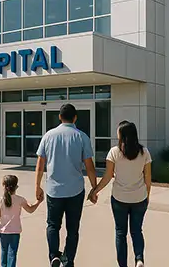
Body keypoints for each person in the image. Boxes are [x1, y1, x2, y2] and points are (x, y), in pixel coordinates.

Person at [35, 103, 98, 267]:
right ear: (75, 117)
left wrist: (37, 186)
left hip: (54, 190)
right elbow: (89, 166)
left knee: (53, 225)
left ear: (59, 117)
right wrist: (94, 188)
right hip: (75, 191)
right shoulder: (81, 136)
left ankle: (54, 256)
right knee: (73, 229)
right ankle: (68, 259)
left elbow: (40, 164)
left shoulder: (49, 136)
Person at [88, 121, 152, 267]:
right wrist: (147, 196)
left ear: (122, 135)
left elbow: (108, 176)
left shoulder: (114, 152)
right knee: (136, 231)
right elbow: (148, 178)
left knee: (120, 233)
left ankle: (122, 265)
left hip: (119, 199)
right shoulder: (144, 152)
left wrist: (94, 190)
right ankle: (139, 259)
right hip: (139, 198)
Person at [0, 175, 42, 267]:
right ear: (16, 187)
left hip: (3, 232)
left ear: (3, 185)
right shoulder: (20, 199)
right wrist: (38, 202)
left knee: (4, 252)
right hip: (15, 231)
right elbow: (30, 209)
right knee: (12, 253)